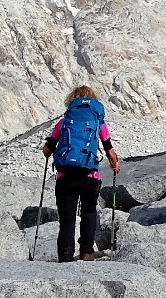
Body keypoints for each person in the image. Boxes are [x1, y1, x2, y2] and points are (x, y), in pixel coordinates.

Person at [42, 85, 121, 262]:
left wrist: (50, 149)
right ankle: (87, 252)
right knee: (88, 212)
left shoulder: (63, 122)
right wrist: (115, 165)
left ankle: (65, 257)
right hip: (90, 176)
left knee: (67, 220)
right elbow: (109, 149)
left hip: (65, 177)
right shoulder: (98, 123)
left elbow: (47, 151)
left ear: (72, 101)